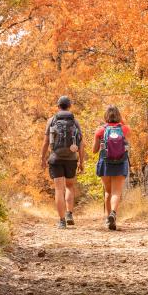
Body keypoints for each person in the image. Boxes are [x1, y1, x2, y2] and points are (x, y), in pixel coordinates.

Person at [40, 96, 84, 229]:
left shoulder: (51, 120)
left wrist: (42, 158)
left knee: (59, 189)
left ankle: (61, 221)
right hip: (71, 158)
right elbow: (81, 144)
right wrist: (81, 161)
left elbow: (46, 142)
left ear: (58, 106)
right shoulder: (75, 121)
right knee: (69, 186)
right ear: (69, 106)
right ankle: (69, 213)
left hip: (56, 158)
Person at [93, 105, 130, 231]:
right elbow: (126, 146)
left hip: (105, 162)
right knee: (116, 192)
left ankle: (108, 218)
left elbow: (94, 150)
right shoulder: (125, 129)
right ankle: (113, 213)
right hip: (120, 162)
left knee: (108, 191)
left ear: (106, 116)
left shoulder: (100, 130)